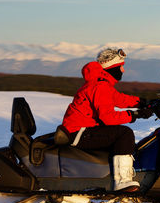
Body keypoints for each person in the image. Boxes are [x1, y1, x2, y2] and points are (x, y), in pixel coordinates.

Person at [60, 48, 152, 191]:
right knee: (124, 133)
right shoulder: (99, 85)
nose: (123, 71)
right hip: (79, 132)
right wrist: (135, 115)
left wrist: (143, 102)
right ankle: (122, 181)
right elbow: (108, 117)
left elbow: (118, 99)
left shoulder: (100, 83)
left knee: (119, 133)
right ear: (113, 68)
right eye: (121, 66)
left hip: (82, 129)